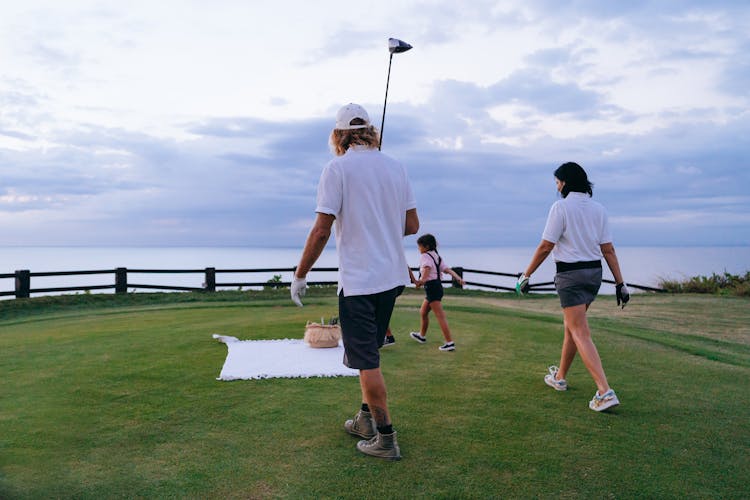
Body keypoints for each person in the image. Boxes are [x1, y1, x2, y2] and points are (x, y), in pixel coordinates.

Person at [291, 103, 419, 460]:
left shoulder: (337, 169)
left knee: (367, 362)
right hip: (392, 278)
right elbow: (412, 226)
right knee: (370, 352)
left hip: (361, 282)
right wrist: (380, 220)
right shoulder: (397, 166)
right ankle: (365, 420)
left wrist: (300, 275)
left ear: (339, 135)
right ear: (370, 132)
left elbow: (321, 230)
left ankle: (386, 438)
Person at [516, 162, 630, 412]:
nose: (556, 186)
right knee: (572, 328)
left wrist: (526, 275)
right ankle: (559, 378)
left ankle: (605, 391)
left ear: (565, 182)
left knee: (579, 331)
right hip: (593, 275)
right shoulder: (599, 209)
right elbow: (607, 249)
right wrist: (620, 283)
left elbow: (546, 246)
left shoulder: (560, 207)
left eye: (557, 182)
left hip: (571, 275)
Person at [409, 233, 465, 351]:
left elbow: (427, 269)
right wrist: (458, 278)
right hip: (437, 287)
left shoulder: (425, 256)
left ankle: (449, 342)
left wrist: (421, 281)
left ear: (426, 246)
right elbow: (447, 270)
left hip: (432, 288)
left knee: (440, 316)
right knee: (423, 312)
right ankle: (422, 336)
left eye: (420, 246)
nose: (419, 248)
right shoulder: (436, 256)